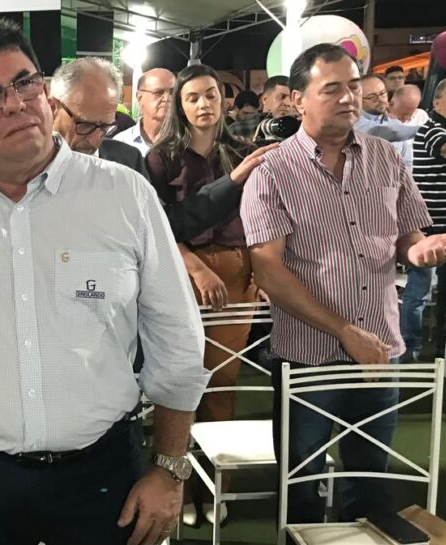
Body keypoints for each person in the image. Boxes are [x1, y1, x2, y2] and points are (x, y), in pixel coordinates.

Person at [0, 18, 209, 545]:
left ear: (46, 95)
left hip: (102, 474)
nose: (15, 103)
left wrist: (169, 467)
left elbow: (176, 338)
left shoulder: (124, 195)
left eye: (24, 83)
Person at [240, 43, 446, 524]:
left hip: (380, 348)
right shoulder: (272, 172)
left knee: (371, 481)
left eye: (354, 86)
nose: (348, 98)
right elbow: (269, 271)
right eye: (332, 88)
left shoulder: (385, 157)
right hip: (308, 356)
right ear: (298, 100)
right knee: (300, 486)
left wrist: (419, 250)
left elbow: (406, 235)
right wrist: (344, 331)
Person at [145, 64, 271, 527]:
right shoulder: (161, 158)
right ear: (179, 104)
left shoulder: (242, 151)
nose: (204, 104)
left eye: (212, 95)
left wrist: (261, 271)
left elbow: (263, 216)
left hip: (238, 276)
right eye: (193, 97)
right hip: (181, 275)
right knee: (181, 383)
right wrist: (196, 267)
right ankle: (177, 487)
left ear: (224, 98)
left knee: (222, 385)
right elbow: (158, 227)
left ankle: (217, 489)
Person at [48, 57, 265, 244]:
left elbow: (162, 224)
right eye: (84, 125)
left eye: (106, 127)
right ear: (52, 108)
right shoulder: (29, 164)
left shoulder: (126, 158)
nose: (96, 139)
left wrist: (230, 182)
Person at [402, 76, 446, 363]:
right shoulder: (431, 128)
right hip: (426, 227)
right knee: (419, 292)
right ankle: (409, 347)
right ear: (436, 102)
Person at [357, 74, 416, 168]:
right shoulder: (353, 123)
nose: (380, 99)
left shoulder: (395, 123)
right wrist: (424, 129)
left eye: (383, 93)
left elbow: (407, 162)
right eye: (372, 96)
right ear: (358, 100)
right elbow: (384, 132)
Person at [114, 68, 176, 155]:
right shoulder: (121, 143)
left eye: (172, 93)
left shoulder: (187, 142)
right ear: (140, 97)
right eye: (158, 92)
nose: (167, 98)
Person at [229, 76, 296, 141]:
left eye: (291, 99)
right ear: (264, 99)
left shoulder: (297, 130)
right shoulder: (239, 129)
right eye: (282, 97)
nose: (288, 103)